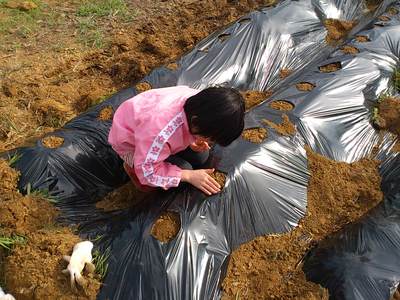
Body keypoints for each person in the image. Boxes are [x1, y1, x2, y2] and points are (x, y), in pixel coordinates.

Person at [108, 85, 245, 195]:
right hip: (131, 144)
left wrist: (192, 141)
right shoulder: (158, 133)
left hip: (152, 132)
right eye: (208, 137)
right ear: (196, 121)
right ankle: (130, 167)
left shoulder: (199, 103)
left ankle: (167, 155)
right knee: (182, 170)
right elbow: (147, 172)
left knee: (201, 157)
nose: (209, 141)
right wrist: (188, 176)